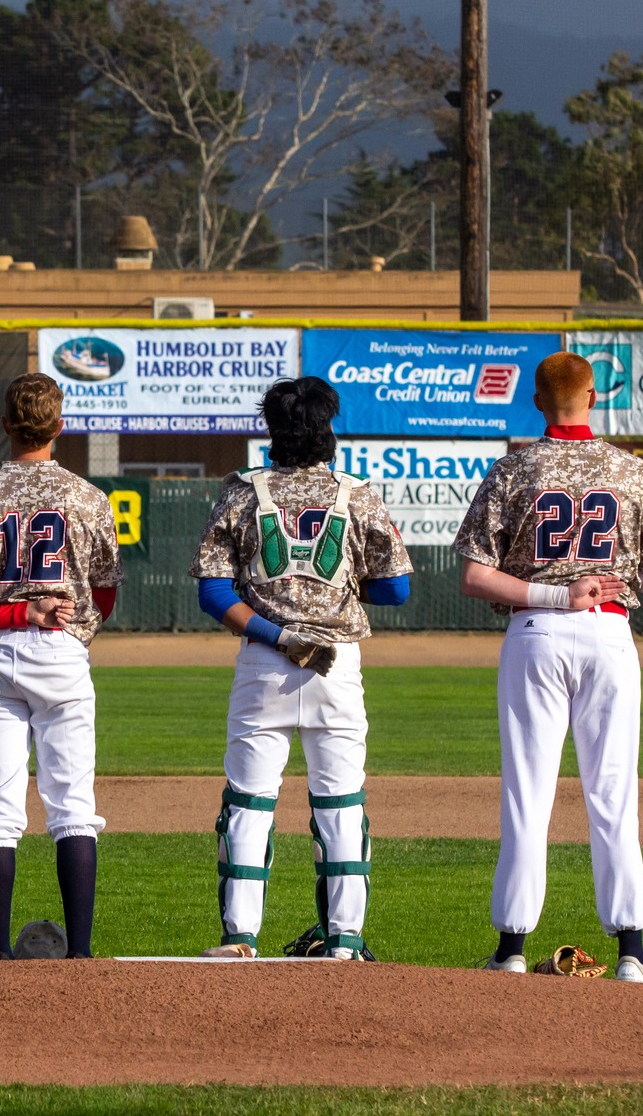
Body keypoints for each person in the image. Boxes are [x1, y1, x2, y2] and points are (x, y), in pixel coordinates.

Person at [454, 350, 643, 985]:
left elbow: (475, 575)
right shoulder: (629, 471)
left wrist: (554, 589)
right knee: (613, 794)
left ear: (536, 401)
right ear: (593, 398)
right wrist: (614, 567)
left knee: (527, 794)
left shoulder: (514, 468)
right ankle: (633, 953)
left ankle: (511, 948)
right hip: (609, 633)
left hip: (535, 634)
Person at [188, 377, 413, 961]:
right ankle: (344, 941)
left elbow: (214, 593)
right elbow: (397, 589)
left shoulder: (242, 493)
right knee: (339, 804)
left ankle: (239, 939)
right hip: (336, 666)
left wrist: (277, 632)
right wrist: (345, 586)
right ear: (328, 430)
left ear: (272, 431)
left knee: (249, 801)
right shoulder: (356, 494)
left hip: (265, 662)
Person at [0, 372, 123, 961]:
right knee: (73, 807)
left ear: (6, 426)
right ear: (60, 428)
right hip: (63, 655)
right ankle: (80, 954)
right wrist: (65, 624)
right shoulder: (88, 497)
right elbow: (105, 596)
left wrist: (14, 616)